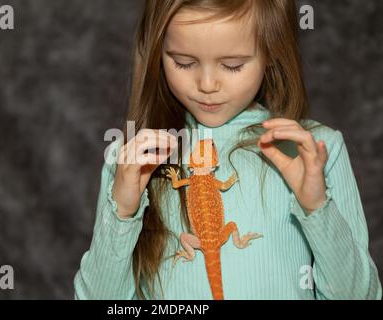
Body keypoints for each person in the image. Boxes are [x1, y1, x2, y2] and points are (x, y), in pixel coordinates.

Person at [74, 0, 382, 300]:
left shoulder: (314, 150)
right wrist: (122, 214)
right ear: (157, 53)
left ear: (272, 52)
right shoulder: (132, 159)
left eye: (232, 65)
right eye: (183, 62)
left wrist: (317, 208)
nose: (207, 84)